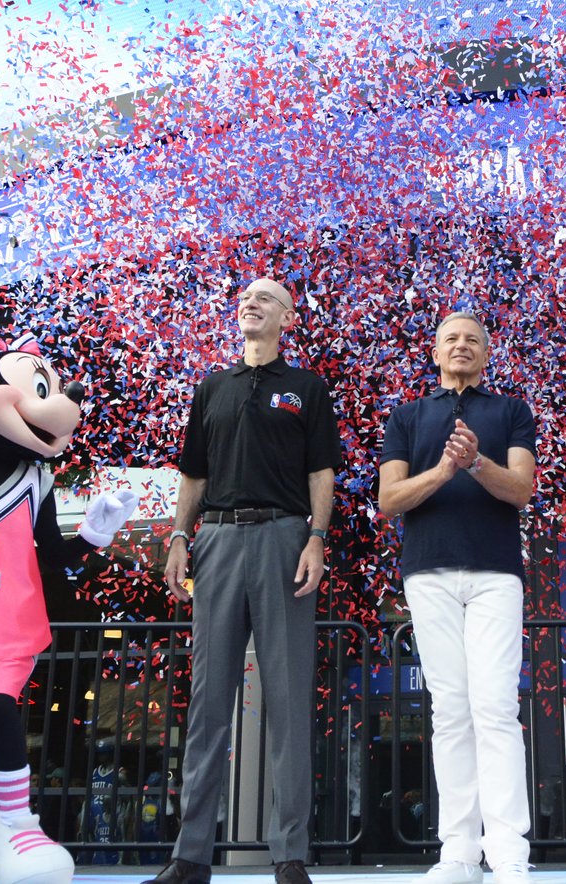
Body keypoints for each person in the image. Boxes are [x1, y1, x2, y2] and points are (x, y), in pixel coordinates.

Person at [148, 277, 342, 884]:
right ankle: (191, 856)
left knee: (287, 699)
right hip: (220, 539)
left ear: (286, 317)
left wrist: (316, 538)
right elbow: (193, 477)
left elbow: (322, 472)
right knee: (207, 703)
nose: (250, 302)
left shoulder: (306, 388)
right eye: (245, 297)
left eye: (265, 298)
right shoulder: (211, 388)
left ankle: (289, 855)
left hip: (285, 538)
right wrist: (180, 537)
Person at [377, 311, 537, 884]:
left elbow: (522, 490)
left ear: (487, 351)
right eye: (451, 339)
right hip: (428, 573)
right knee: (449, 714)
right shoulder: (407, 415)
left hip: (496, 573)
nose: (461, 346)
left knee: (495, 707)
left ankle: (509, 853)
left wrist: (478, 462)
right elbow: (390, 499)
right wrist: (446, 469)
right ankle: (459, 854)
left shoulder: (510, 410)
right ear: (436, 351)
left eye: (472, 339)